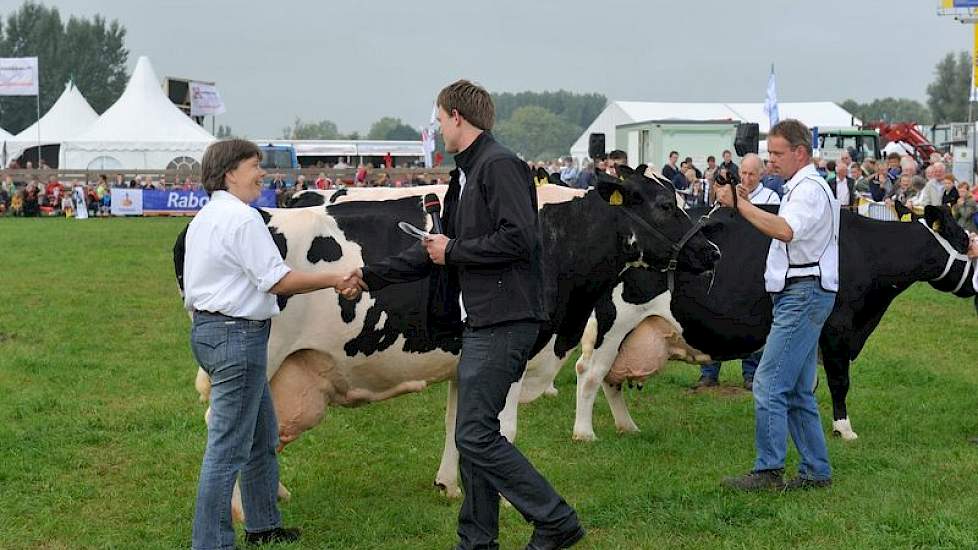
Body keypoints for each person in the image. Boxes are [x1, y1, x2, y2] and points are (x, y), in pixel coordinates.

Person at [354, 80, 584, 550]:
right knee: (474, 434)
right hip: (483, 319)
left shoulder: (498, 166)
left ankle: (555, 519)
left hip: (505, 319)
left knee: (476, 435)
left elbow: (519, 238)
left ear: (458, 117)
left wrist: (454, 249)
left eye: (439, 120)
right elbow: (436, 251)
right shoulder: (468, 172)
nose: (438, 130)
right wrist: (368, 275)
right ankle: (477, 539)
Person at [184, 139, 362, 550]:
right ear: (230, 173)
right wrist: (335, 278)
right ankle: (210, 542)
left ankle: (263, 524)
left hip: (211, 333)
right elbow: (278, 280)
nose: (261, 174)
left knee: (262, 434)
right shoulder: (243, 220)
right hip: (237, 337)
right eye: (253, 166)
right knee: (226, 449)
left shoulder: (204, 218)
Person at [715, 119, 838, 492]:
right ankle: (816, 471)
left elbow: (786, 230)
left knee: (768, 383)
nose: (771, 162)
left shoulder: (807, 190)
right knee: (798, 391)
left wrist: (739, 204)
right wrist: (747, 204)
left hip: (801, 294)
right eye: (769, 154)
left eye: (777, 154)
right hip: (805, 292)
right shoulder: (803, 187)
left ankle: (768, 472)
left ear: (800, 153)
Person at [696, 153, 779, 389]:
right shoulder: (728, 193)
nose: (747, 178)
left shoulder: (771, 196)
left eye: (752, 173)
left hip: (755, 266)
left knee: (753, 316)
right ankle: (709, 372)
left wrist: (746, 205)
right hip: (727, 263)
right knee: (714, 314)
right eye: (743, 173)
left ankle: (751, 374)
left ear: (761, 174)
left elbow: (771, 223)